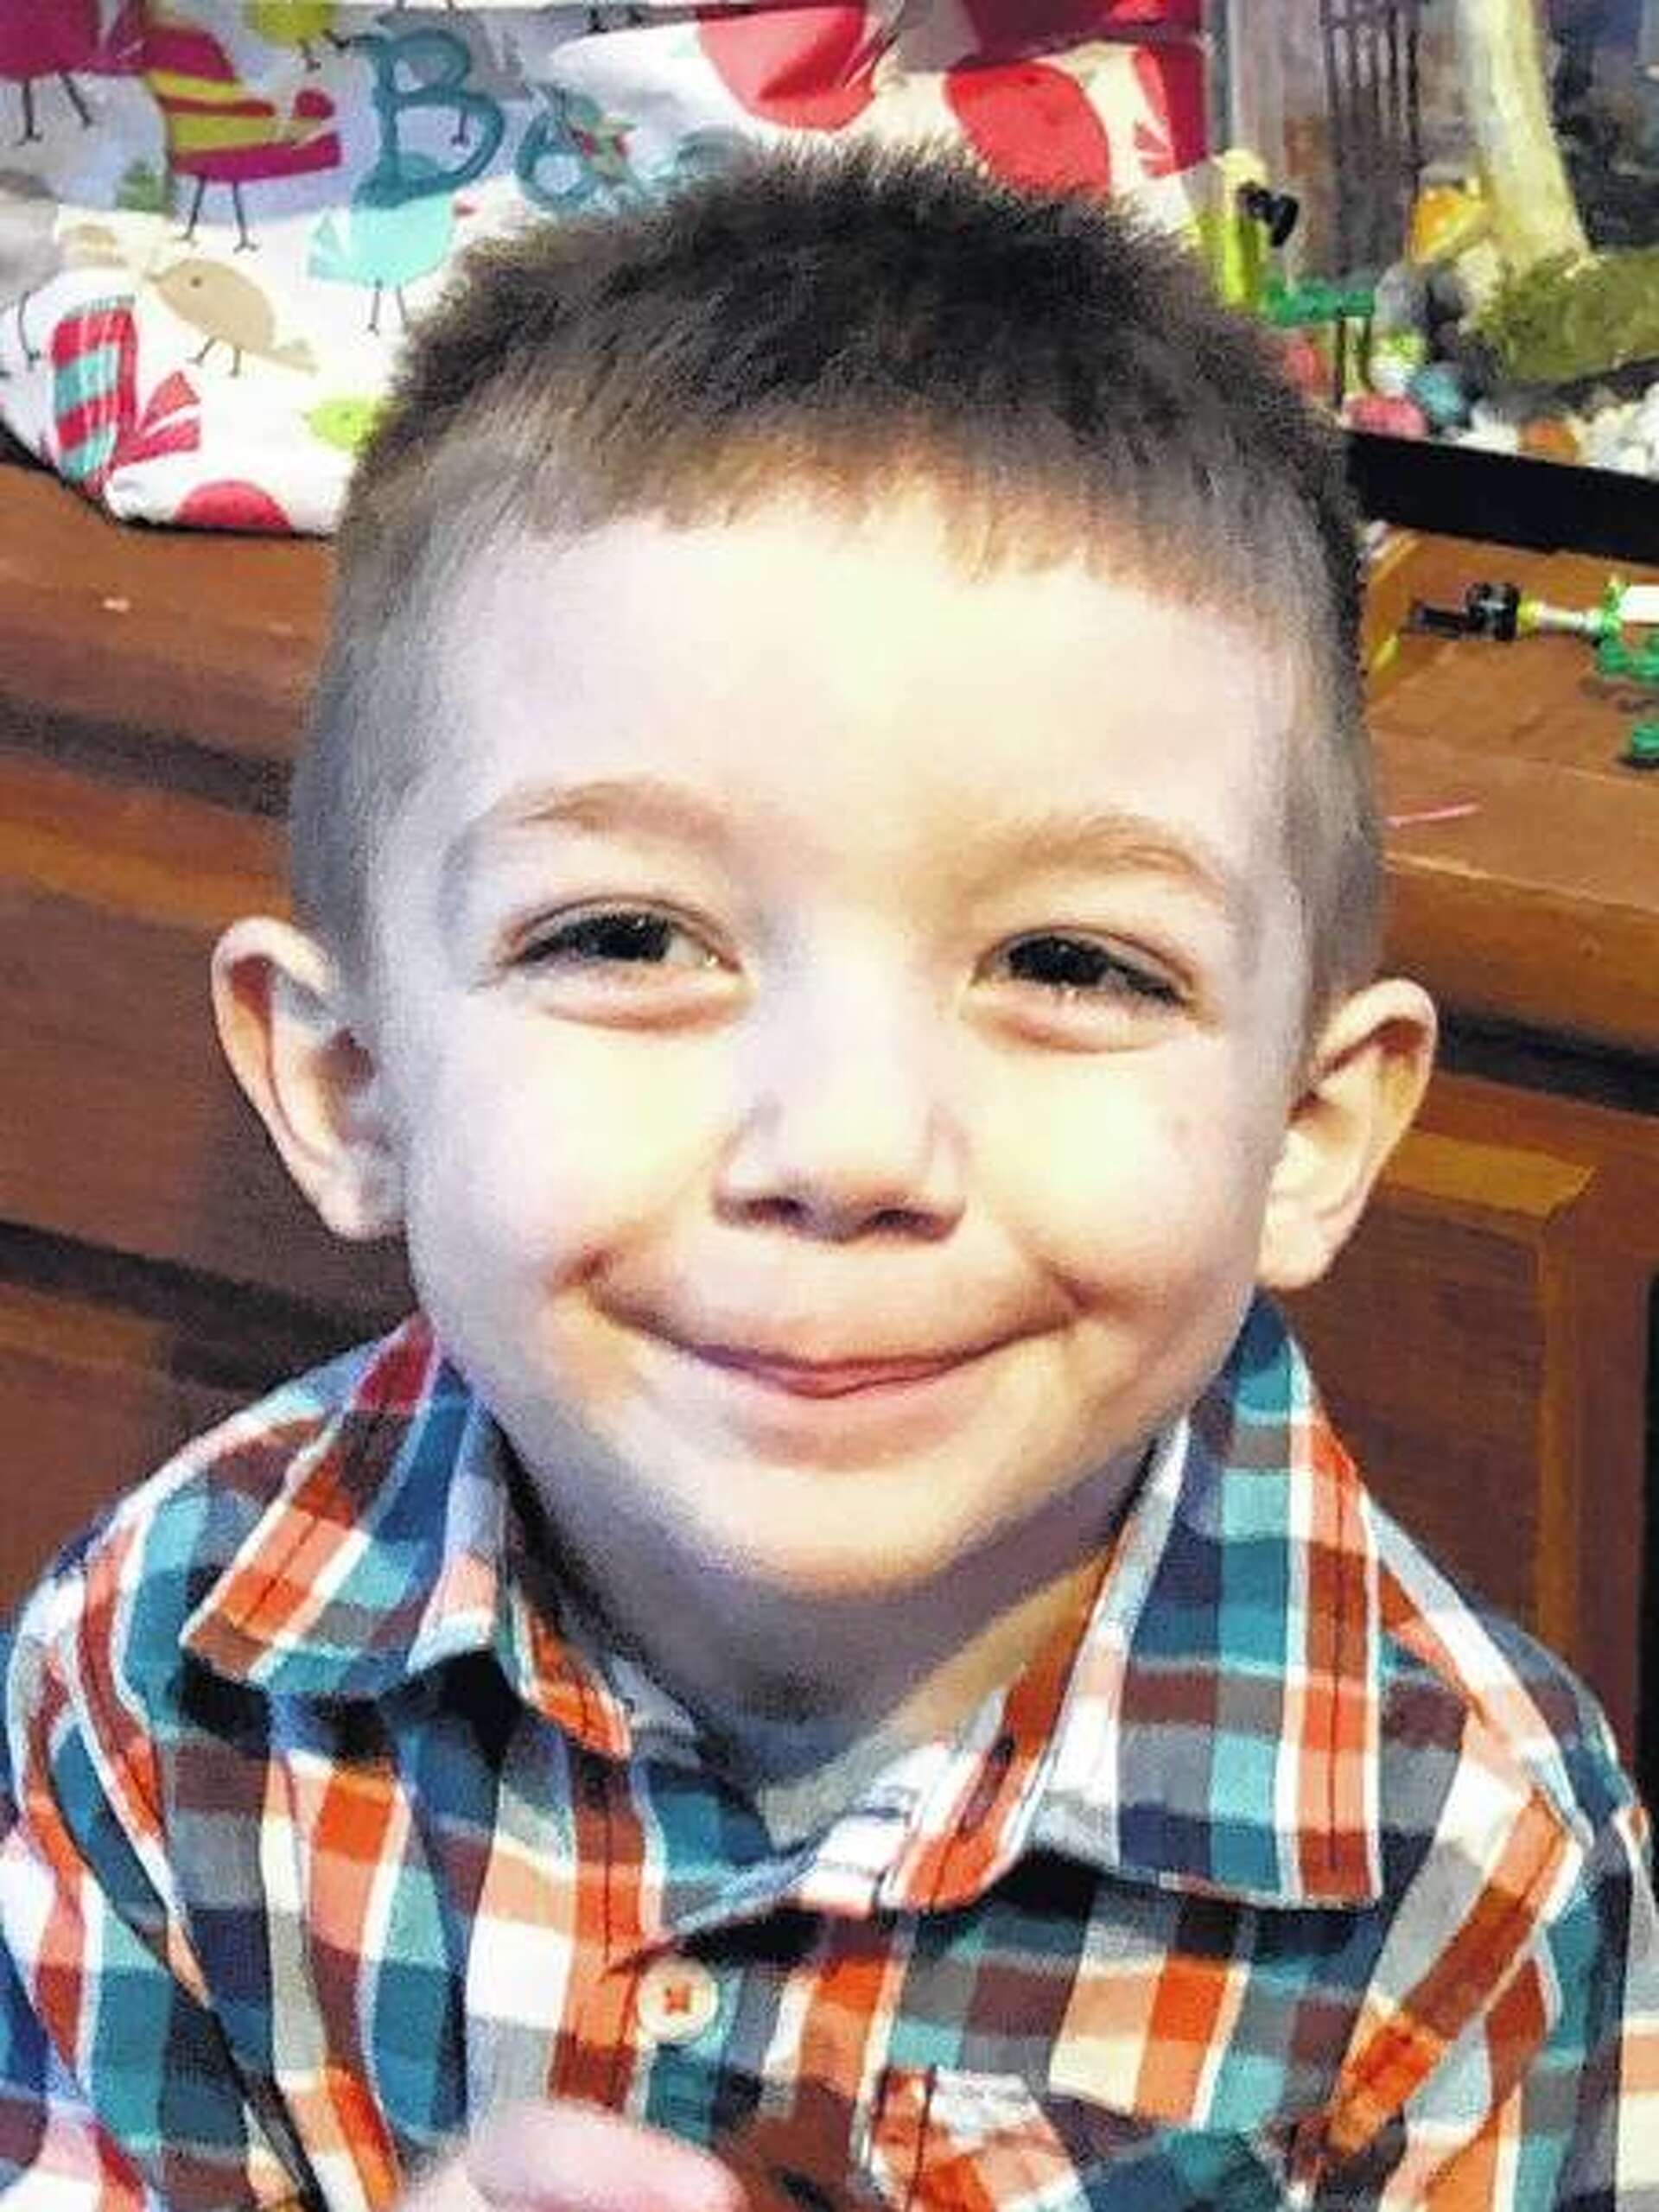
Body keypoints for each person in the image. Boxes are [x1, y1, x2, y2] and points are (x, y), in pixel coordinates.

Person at [3, 140, 1655, 2211]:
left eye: (1074, 962)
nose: (854, 1145)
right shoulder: (155, 1673)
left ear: (1311, 1131)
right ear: (350, 1084)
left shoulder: (1476, 1863)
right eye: (625, 934)